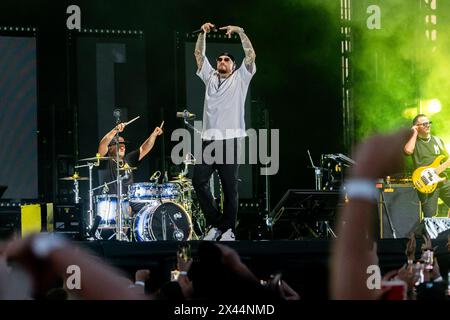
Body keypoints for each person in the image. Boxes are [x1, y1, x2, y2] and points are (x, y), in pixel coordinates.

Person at [193, 22, 256, 241]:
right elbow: (199, 54)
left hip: (230, 139)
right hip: (209, 140)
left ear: (233, 65)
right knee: (198, 181)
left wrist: (240, 32)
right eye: (219, 59)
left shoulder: (241, 78)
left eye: (226, 60)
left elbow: (250, 55)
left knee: (229, 187)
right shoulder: (209, 76)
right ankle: (215, 224)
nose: (221, 62)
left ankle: (228, 229)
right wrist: (203, 33)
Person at [97, 122, 163, 196]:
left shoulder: (128, 159)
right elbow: (103, 144)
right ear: (110, 148)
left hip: (129, 199)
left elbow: (144, 148)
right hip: (111, 202)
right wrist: (115, 130)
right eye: (118, 144)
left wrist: (154, 134)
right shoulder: (105, 160)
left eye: (124, 145)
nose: (122, 147)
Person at [403, 114, 450, 217]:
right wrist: (414, 133)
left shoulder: (437, 140)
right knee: (430, 217)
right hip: (426, 182)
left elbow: (446, 159)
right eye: (424, 124)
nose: (428, 125)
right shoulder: (414, 142)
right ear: (416, 126)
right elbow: (408, 150)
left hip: (442, 180)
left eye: (429, 123)